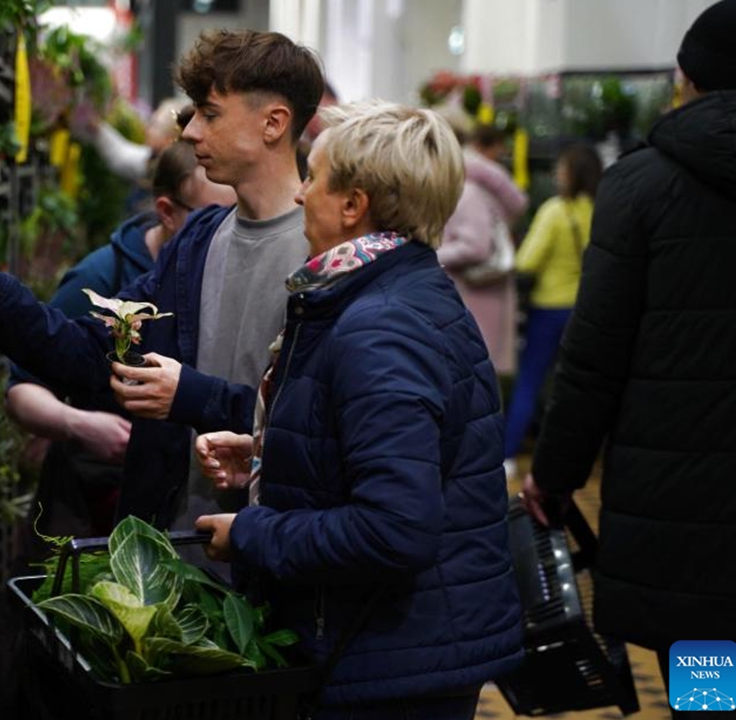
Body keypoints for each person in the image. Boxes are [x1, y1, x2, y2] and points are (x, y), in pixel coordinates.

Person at [0, 29, 324, 530]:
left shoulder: (326, 259)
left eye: (210, 114)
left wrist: (189, 395)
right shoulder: (195, 244)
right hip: (165, 555)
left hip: (274, 560)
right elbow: (85, 351)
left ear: (273, 123)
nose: (189, 133)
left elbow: (322, 430)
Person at [192, 99, 523, 719]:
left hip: (386, 666)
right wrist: (273, 459)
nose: (300, 196)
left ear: (353, 205)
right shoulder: (397, 294)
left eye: (313, 177)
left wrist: (253, 532)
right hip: (399, 649)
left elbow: (396, 527)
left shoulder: (380, 325)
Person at [520, 1, 736, 715]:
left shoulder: (639, 186)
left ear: (686, 79)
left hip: (681, 525)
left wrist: (556, 476)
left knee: (707, 699)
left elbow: (593, 356)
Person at [4, 139, 235, 550]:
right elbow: (22, 388)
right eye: (211, 217)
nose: (225, 230)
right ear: (166, 212)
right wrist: (80, 424)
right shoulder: (100, 279)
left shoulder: (218, 276)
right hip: (88, 497)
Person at [501, 142, 602, 471]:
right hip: (584, 308)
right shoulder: (602, 209)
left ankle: (508, 454)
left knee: (530, 379)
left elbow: (527, 260)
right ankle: (583, 454)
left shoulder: (555, 211)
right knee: (579, 382)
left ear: (571, 174)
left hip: (548, 309)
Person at [438, 124, 528, 382]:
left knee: (475, 382)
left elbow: (476, 247)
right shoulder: (473, 186)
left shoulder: (467, 191)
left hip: (475, 299)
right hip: (479, 299)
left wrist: (430, 255)